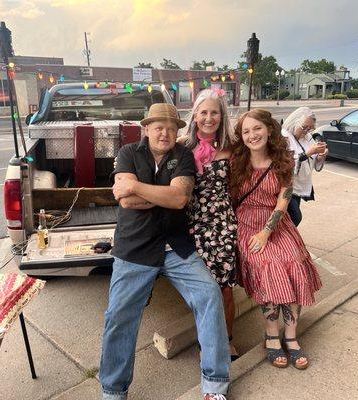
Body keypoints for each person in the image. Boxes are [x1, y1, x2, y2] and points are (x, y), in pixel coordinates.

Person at [100, 103, 230, 400]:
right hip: (134, 247)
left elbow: (180, 198)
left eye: (172, 128)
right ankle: (113, 391)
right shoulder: (128, 153)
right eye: (159, 127)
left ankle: (215, 385)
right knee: (119, 316)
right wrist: (161, 195)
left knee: (210, 295)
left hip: (176, 247)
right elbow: (126, 202)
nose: (166, 133)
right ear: (146, 129)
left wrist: (137, 187)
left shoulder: (183, 155)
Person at [230, 109, 322, 370]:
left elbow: (284, 196)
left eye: (257, 128)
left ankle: (291, 337)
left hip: (275, 220)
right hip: (246, 221)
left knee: (292, 261)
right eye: (246, 131)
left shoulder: (284, 158)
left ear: (269, 129)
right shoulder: (237, 160)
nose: (252, 135)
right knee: (268, 264)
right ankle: (272, 335)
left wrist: (267, 231)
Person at [178, 89, 239, 360]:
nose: (209, 117)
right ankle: (206, 342)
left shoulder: (232, 148)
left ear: (221, 115)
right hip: (193, 225)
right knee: (204, 289)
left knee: (225, 288)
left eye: (214, 112)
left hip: (224, 225)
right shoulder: (182, 146)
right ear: (195, 115)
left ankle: (226, 339)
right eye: (204, 112)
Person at [282, 107, 328, 226]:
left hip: (299, 186)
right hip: (286, 185)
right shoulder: (284, 137)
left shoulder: (307, 138)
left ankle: (286, 239)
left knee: (290, 217)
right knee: (295, 217)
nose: (307, 131)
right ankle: (285, 240)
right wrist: (309, 153)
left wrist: (321, 156)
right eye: (304, 127)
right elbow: (286, 163)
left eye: (310, 128)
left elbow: (313, 160)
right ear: (294, 122)